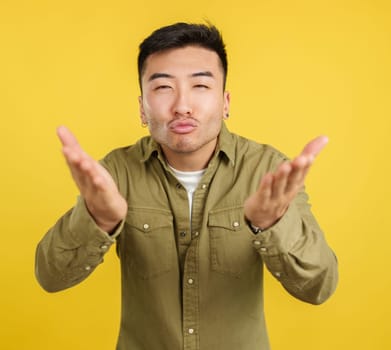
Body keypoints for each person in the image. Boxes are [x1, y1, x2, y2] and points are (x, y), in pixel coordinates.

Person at [35, 22, 338, 350]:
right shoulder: (116, 172)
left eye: (200, 86)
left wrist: (273, 224)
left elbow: (319, 287)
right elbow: (51, 277)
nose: (182, 105)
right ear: (142, 107)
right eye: (163, 87)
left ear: (225, 102)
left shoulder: (268, 171)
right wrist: (99, 220)